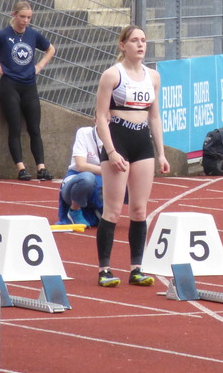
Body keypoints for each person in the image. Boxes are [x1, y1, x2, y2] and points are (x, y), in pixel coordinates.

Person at [94, 25, 170, 288]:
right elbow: (101, 117)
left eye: (144, 41)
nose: (140, 45)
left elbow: (154, 116)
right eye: (135, 41)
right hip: (118, 141)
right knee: (113, 210)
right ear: (122, 45)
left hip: (142, 144)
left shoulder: (154, 77)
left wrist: (161, 153)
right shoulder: (112, 75)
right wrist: (112, 151)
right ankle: (104, 269)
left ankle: (136, 268)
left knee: (139, 209)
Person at [0, 0, 56, 181]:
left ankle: (41, 167)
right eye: (22, 17)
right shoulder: (3, 35)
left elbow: (50, 49)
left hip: (29, 85)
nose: (25, 21)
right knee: (15, 127)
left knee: (34, 127)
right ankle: (21, 168)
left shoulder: (32, 35)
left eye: (29, 18)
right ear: (14, 15)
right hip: (10, 85)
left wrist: (39, 65)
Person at [56, 125, 104, 227]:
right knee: (87, 178)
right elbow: (81, 166)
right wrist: (108, 171)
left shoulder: (117, 136)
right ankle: (74, 210)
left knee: (128, 182)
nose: (108, 124)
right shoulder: (84, 133)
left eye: (111, 121)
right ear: (96, 120)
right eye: (105, 120)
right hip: (76, 178)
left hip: (102, 180)